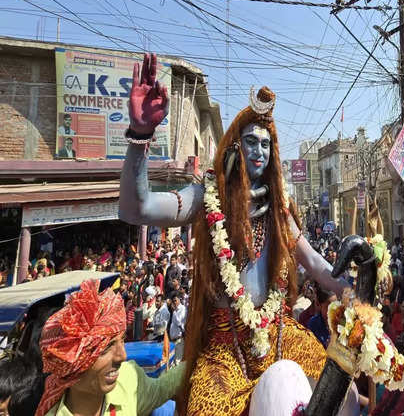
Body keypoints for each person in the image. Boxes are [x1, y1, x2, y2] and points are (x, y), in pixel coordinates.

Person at [119, 69, 357, 416]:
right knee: (206, 410)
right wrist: (140, 135)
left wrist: (356, 289)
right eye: (250, 141)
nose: (259, 150)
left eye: (266, 143)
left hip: (277, 334)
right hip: (223, 345)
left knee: (341, 393)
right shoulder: (206, 197)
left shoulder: (280, 211)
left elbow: (318, 266)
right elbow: (135, 207)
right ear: (234, 146)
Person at [35, 279, 185, 416]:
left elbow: (163, 388)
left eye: (122, 340)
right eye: (106, 347)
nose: (122, 356)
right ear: (68, 364)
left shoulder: (128, 379)